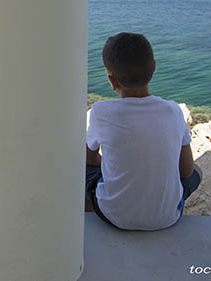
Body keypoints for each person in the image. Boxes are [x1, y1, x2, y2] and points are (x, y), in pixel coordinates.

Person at [85, 32, 202, 231]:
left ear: (112, 81)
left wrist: (111, 164)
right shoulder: (174, 111)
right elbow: (186, 171)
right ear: (154, 67)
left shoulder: (101, 112)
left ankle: (88, 217)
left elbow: (88, 159)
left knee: (85, 172)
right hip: (167, 218)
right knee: (198, 172)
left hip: (114, 217)